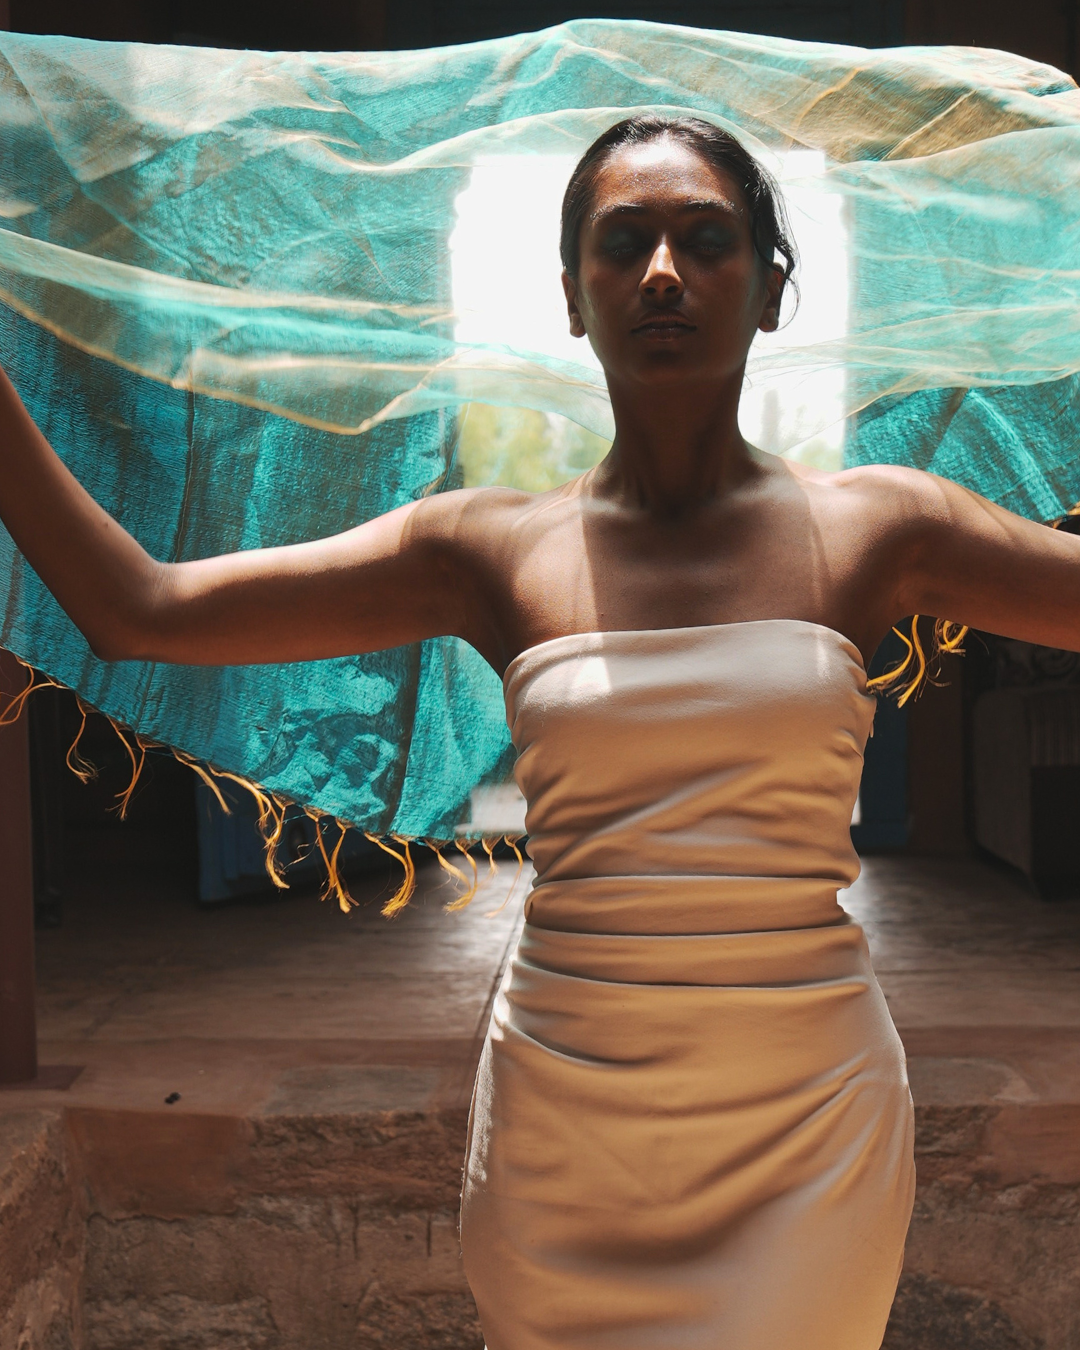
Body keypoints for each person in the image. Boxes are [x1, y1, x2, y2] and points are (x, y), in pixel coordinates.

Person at [2, 112, 1079, 1349]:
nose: (662, 272)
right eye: (623, 243)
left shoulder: (883, 529)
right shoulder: (485, 551)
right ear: (574, 296)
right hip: (568, 1127)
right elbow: (137, 608)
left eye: (706, 240)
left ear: (772, 289)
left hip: (809, 1122)